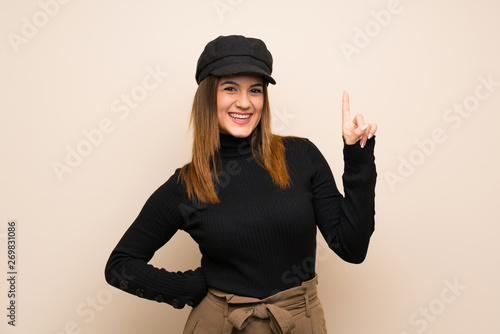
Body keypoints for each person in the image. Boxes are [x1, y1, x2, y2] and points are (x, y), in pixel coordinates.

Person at [105, 35, 377, 333]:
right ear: (209, 96)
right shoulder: (188, 184)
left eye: (255, 90)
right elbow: (121, 265)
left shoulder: (301, 156)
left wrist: (357, 158)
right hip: (219, 324)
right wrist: (189, 287)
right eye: (230, 88)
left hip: (298, 322)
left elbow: (352, 248)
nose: (245, 102)